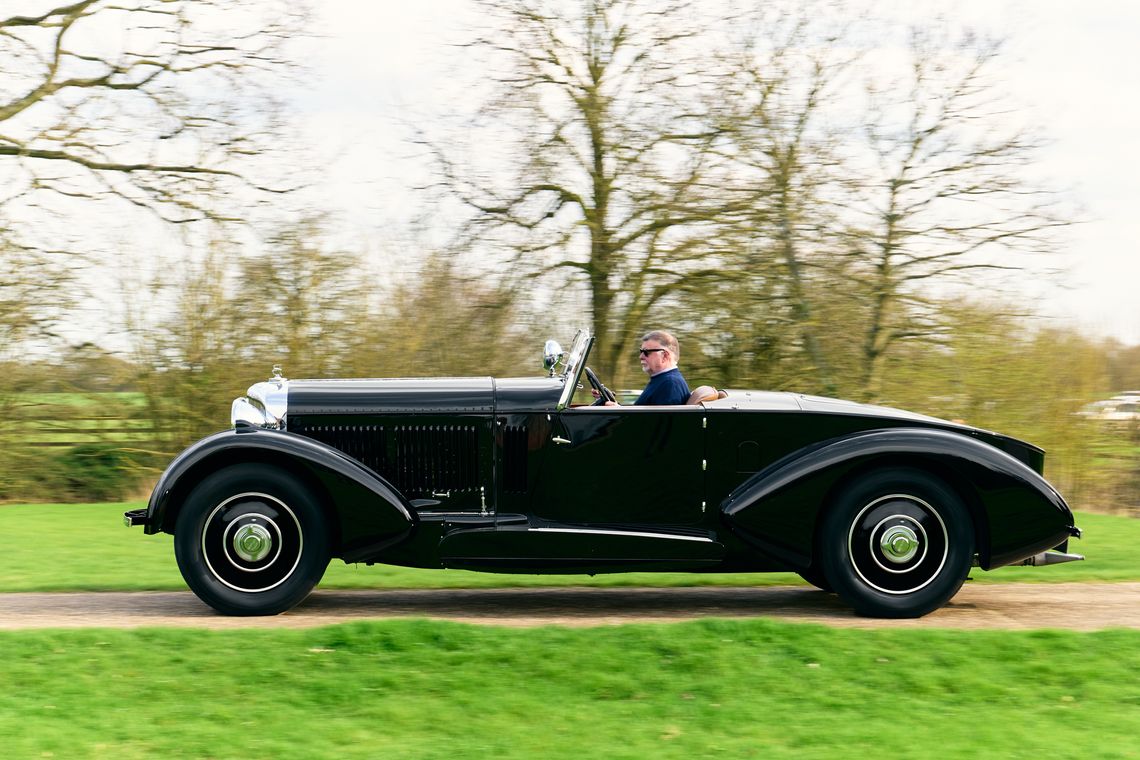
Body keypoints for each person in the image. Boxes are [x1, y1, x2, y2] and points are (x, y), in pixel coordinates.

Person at [602, 330, 690, 406]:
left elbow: (656, 423)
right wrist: (615, 406)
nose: (641, 356)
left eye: (646, 352)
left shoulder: (670, 384)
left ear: (665, 356)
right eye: (641, 351)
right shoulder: (662, 380)